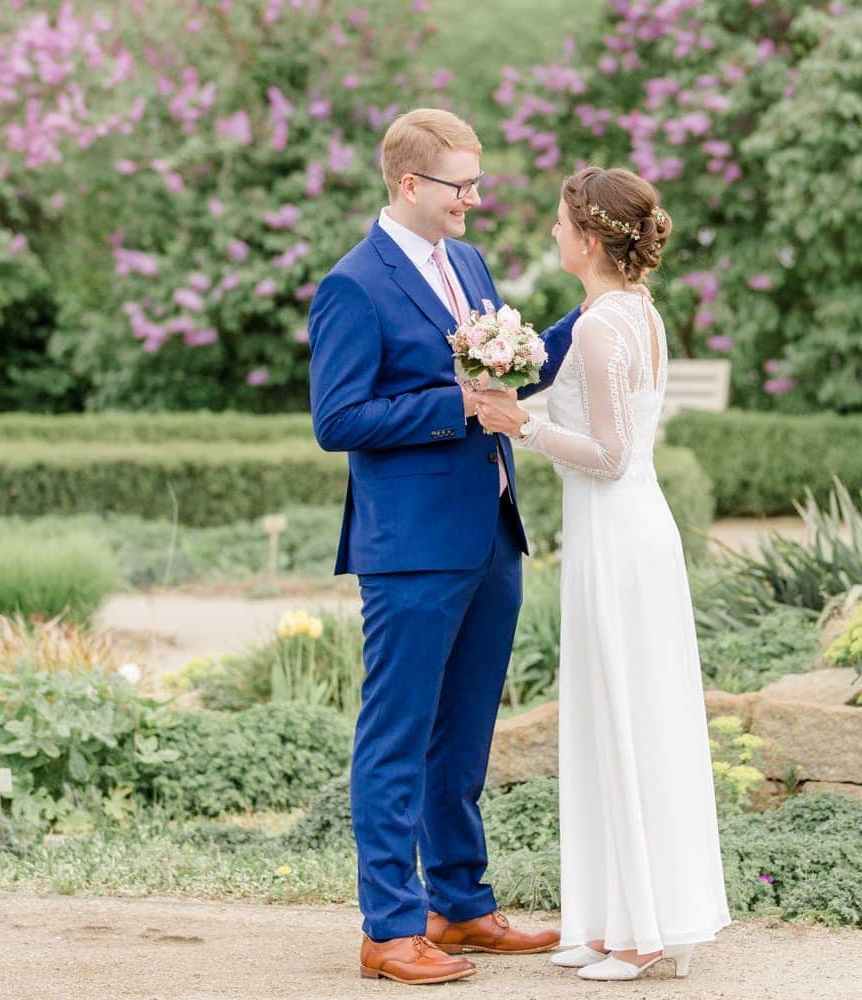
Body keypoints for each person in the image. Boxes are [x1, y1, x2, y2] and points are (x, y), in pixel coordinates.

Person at [306, 108, 580, 986]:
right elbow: (337, 420)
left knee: (462, 737)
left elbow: (509, 372)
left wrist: (597, 309)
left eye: (476, 182)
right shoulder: (353, 285)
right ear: (409, 183)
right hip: (412, 549)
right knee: (397, 737)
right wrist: (455, 405)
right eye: (460, 185)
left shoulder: (468, 263)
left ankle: (460, 905)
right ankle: (389, 930)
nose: (473, 199)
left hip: (492, 532)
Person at [472, 166, 731, 983]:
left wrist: (521, 426)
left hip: (620, 537)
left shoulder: (599, 328)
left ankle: (643, 931)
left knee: (625, 718)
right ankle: (607, 920)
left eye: (560, 222)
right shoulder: (631, 311)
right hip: (613, 534)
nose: (552, 232)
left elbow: (613, 457)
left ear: (589, 239)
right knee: (605, 718)